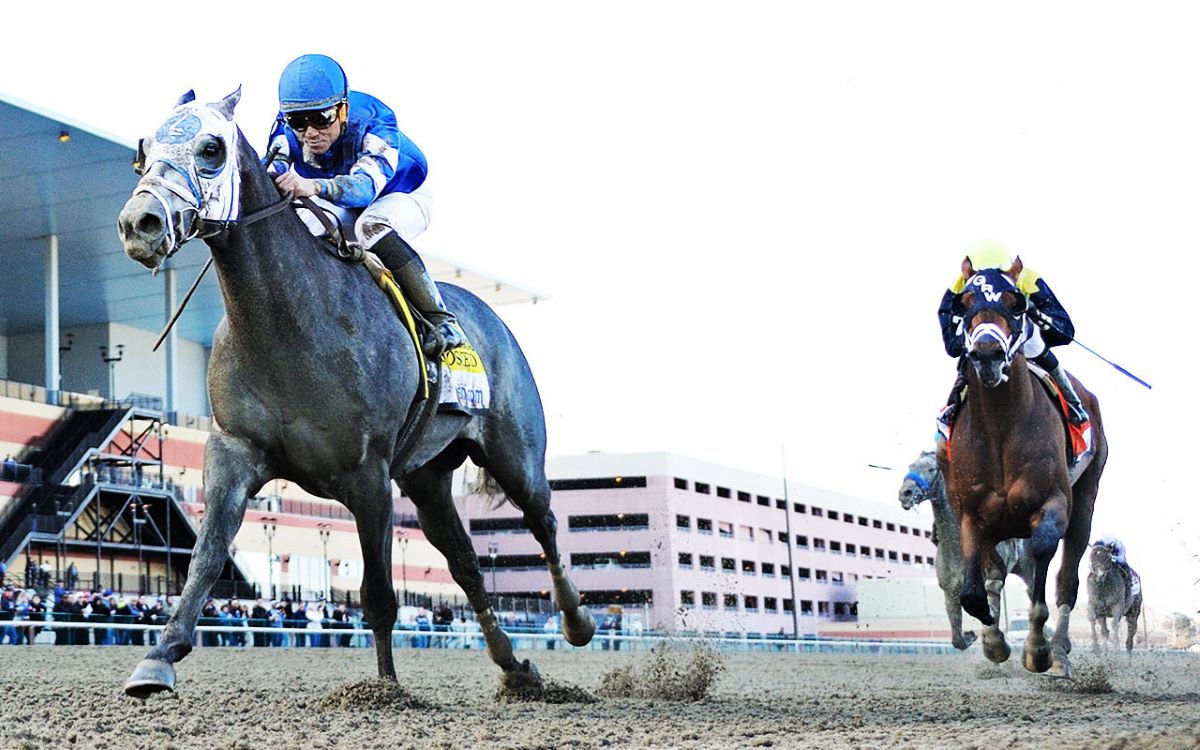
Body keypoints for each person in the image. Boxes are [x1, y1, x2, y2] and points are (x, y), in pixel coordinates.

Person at [266, 53, 464, 358]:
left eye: (321, 119)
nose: (310, 133)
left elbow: (364, 189)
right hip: (341, 195)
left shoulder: (375, 120)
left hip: (401, 193)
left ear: (343, 109)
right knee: (307, 223)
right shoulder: (284, 129)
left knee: (370, 227)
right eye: (298, 122)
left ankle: (440, 318)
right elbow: (271, 170)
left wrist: (313, 186)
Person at [936, 242, 1089, 433]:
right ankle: (946, 426)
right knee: (966, 364)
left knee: (1038, 348)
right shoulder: (959, 287)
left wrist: (1036, 314)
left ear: (1012, 271)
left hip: (1023, 337)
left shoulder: (1028, 279)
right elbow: (952, 346)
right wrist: (969, 340)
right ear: (969, 272)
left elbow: (1065, 330)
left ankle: (1073, 404)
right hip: (983, 339)